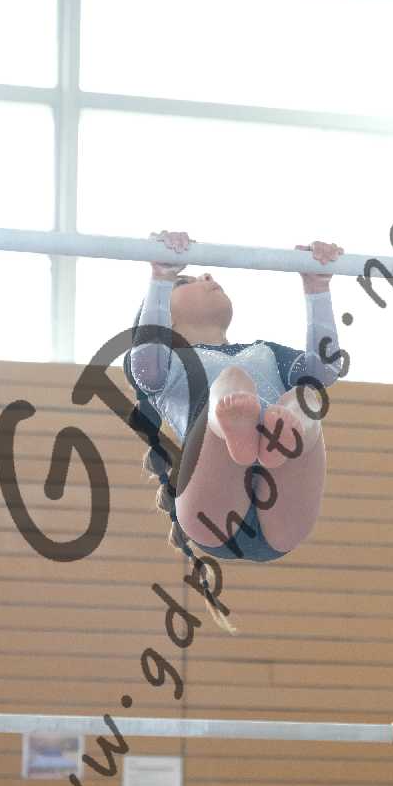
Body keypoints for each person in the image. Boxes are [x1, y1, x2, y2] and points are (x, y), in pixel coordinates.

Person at [126, 229, 346, 573]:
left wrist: (317, 287)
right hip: (214, 508)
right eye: (186, 282)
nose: (206, 275)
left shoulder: (267, 352)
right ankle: (247, 432)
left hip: (278, 502)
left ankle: (270, 437)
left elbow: (324, 369)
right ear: (166, 318)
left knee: (305, 396)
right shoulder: (166, 363)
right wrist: (161, 277)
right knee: (233, 380)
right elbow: (145, 367)